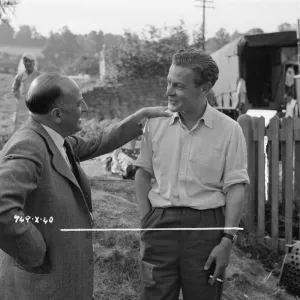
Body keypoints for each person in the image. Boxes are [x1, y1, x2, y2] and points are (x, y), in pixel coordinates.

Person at [0, 73, 171, 300]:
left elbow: (97, 142)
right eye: (79, 103)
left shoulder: (54, 138)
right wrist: (34, 253)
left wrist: (140, 118)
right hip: (40, 287)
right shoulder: (28, 146)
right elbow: (3, 208)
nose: (86, 108)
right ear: (57, 114)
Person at [134, 48, 250, 300]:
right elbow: (142, 174)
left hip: (206, 230)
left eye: (178, 86)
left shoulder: (229, 131)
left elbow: (236, 187)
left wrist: (227, 240)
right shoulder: (155, 124)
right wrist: (147, 222)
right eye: (168, 83)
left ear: (204, 87)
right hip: (159, 226)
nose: (168, 92)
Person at [12, 53, 41, 131]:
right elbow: (15, 87)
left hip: (34, 103)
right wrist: (18, 95)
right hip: (22, 103)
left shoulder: (38, 75)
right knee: (19, 124)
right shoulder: (20, 75)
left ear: (33, 63)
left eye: (30, 61)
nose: (27, 63)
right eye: (25, 61)